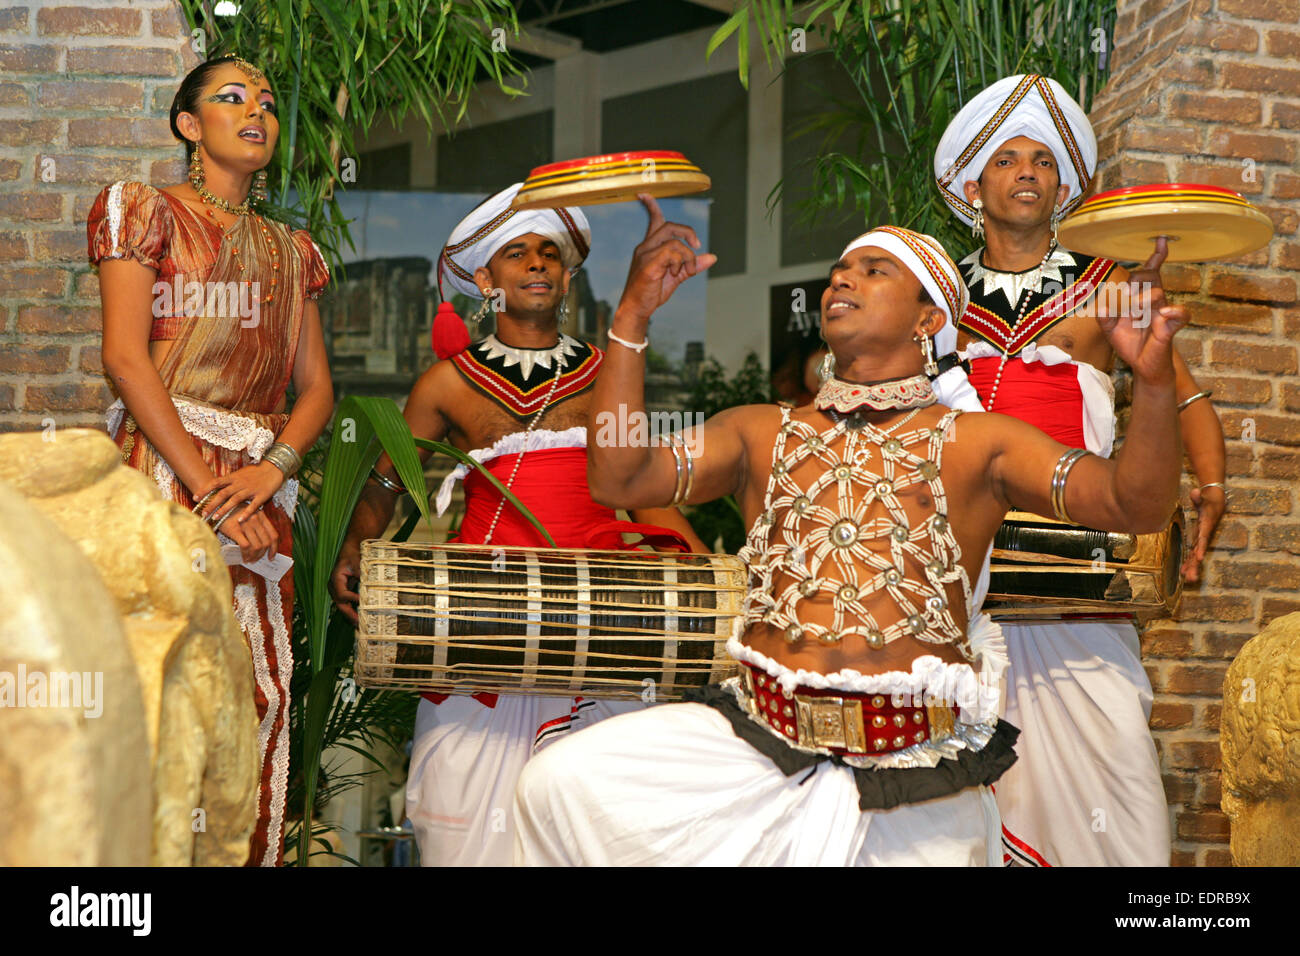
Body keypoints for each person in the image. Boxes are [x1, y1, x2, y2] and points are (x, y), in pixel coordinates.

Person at [511, 203, 1188, 866]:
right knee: (558, 784)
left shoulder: (980, 443)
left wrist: (1153, 384)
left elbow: (1135, 504)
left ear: (929, 318)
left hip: (910, 780)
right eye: (839, 270)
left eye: (872, 271)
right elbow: (622, 478)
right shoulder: (760, 430)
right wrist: (631, 318)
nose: (842, 280)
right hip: (757, 743)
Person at [329, 183, 705, 866]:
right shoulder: (444, 383)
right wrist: (357, 542)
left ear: (568, 278)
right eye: (517, 253)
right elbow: (389, 480)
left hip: (601, 615)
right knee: (460, 819)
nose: (537, 264)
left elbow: (645, 494)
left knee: (599, 826)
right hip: (481, 618)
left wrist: (711, 583)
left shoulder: (606, 377)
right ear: (485, 280)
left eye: (550, 255)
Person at [933, 73, 1228, 866]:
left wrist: (1210, 489)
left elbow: (1180, 386)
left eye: (1043, 161)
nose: (1027, 171)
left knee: (1117, 767)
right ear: (973, 185)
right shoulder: (936, 299)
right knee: (960, 787)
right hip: (965, 571)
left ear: (1063, 187)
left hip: (1078, 568)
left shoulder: (1107, 286)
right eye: (1007, 159)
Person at [88, 55, 335, 866]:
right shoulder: (143, 210)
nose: (256, 110)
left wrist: (273, 471)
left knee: (252, 694)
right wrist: (212, 490)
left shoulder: (292, 250)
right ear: (189, 125)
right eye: (232, 98)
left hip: (258, 483)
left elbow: (318, 389)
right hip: (164, 475)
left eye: (266, 99)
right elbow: (125, 361)